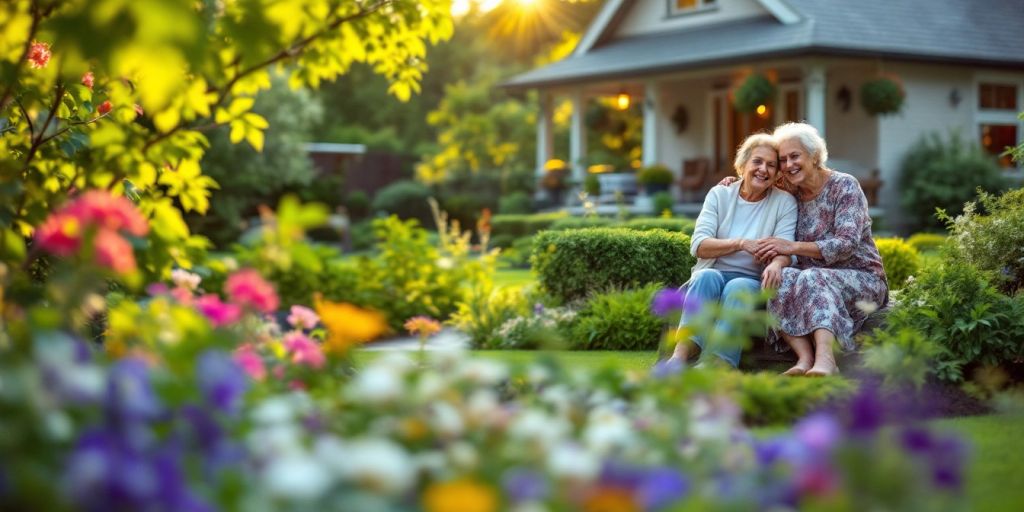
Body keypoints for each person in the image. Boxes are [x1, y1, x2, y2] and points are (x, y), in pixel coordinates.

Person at [751, 122, 888, 376]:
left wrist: (792, 246)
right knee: (782, 277)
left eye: (795, 156)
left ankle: (827, 361)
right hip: (811, 279)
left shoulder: (845, 186)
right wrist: (733, 184)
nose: (788, 165)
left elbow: (846, 244)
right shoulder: (790, 191)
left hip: (862, 279)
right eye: (783, 160)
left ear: (814, 156)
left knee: (813, 275)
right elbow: (755, 180)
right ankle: (804, 359)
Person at [667, 133, 797, 368]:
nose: (763, 169)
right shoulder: (720, 194)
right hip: (714, 272)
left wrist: (777, 262)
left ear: (777, 174)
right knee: (705, 276)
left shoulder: (784, 202)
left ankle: (718, 363)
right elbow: (699, 246)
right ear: (743, 165)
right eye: (757, 161)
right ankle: (680, 356)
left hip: (752, 279)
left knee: (738, 287)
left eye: (771, 165)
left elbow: (785, 247)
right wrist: (741, 243)